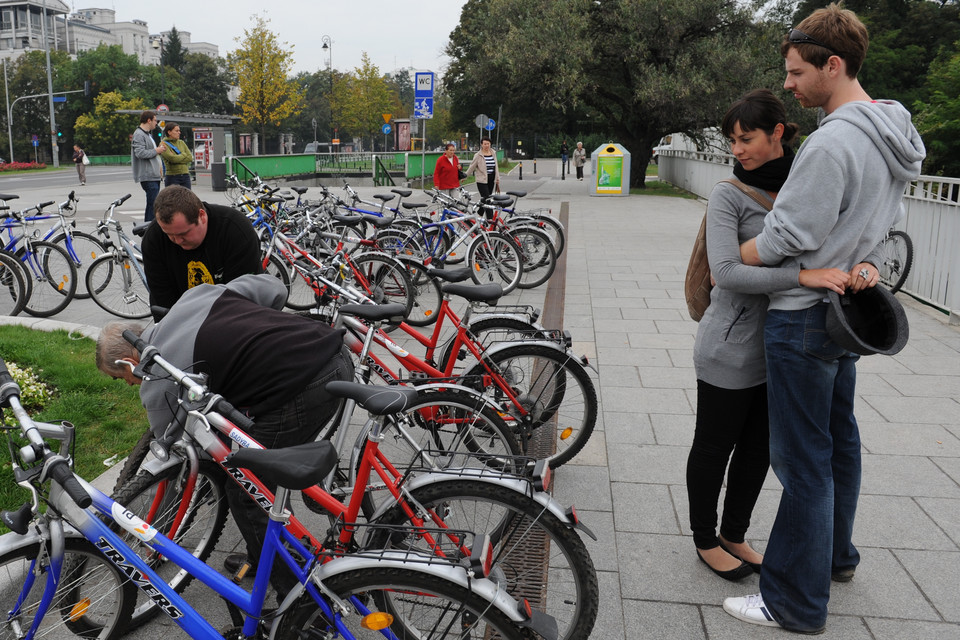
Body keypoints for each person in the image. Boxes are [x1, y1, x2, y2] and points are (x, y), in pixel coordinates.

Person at [723, 5, 925, 634]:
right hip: (843, 315)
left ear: (831, 66)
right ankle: (835, 557)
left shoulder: (832, 141)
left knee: (802, 461)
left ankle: (792, 602)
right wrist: (863, 260)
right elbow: (887, 223)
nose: (788, 84)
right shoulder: (892, 131)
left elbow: (790, 233)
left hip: (804, 316)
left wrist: (742, 252)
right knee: (839, 445)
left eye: (795, 72)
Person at [95, 273, 354, 597]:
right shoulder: (192, 299)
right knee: (265, 469)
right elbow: (272, 289)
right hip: (332, 351)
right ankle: (269, 551)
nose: (130, 385)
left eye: (121, 379)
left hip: (306, 385)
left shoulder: (158, 379)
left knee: (246, 492)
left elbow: (181, 456)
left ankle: (296, 601)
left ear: (128, 363)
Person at [688, 89, 850, 585]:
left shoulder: (805, 184)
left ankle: (735, 534)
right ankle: (704, 539)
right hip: (729, 346)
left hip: (782, 344)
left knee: (760, 447)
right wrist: (803, 278)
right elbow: (727, 272)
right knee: (715, 446)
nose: (738, 150)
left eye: (747, 138)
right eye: (732, 141)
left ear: (777, 133)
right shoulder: (727, 195)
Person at [141, 185, 261, 321]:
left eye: (183, 233)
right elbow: (162, 299)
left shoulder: (235, 231)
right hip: (181, 321)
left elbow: (245, 298)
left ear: (202, 216)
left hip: (235, 318)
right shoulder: (154, 238)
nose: (177, 241)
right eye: (169, 235)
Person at [131, 110, 167, 222]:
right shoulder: (139, 134)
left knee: (153, 204)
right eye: (155, 120)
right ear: (148, 120)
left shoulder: (147, 134)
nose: (156, 123)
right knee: (153, 205)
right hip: (148, 175)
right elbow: (140, 153)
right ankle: (148, 230)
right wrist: (156, 150)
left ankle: (148, 229)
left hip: (154, 175)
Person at [465, 136, 500, 202]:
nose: (487, 145)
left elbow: (496, 167)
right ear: (481, 145)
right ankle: (490, 212)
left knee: (487, 197)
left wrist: (497, 178)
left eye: (488, 144)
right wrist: (465, 176)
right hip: (482, 179)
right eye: (485, 144)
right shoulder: (478, 155)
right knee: (487, 198)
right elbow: (472, 166)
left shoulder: (493, 153)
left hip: (491, 178)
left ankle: (480, 211)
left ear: (490, 144)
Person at [159, 122, 193, 189]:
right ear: (169, 132)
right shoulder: (163, 144)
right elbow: (172, 159)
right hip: (172, 176)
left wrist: (177, 157)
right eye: (176, 131)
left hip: (185, 175)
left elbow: (190, 158)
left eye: (179, 130)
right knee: (173, 198)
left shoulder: (181, 143)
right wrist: (184, 155)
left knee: (187, 198)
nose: (179, 132)